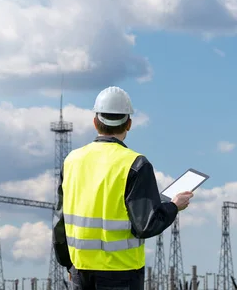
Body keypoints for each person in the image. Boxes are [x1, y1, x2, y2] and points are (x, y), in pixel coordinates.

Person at [53, 86, 194, 290]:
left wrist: (68, 264)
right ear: (128, 123)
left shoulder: (72, 161)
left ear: (95, 122)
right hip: (122, 273)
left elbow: (61, 221)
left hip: (80, 270)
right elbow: (147, 225)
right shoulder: (136, 164)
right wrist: (174, 206)